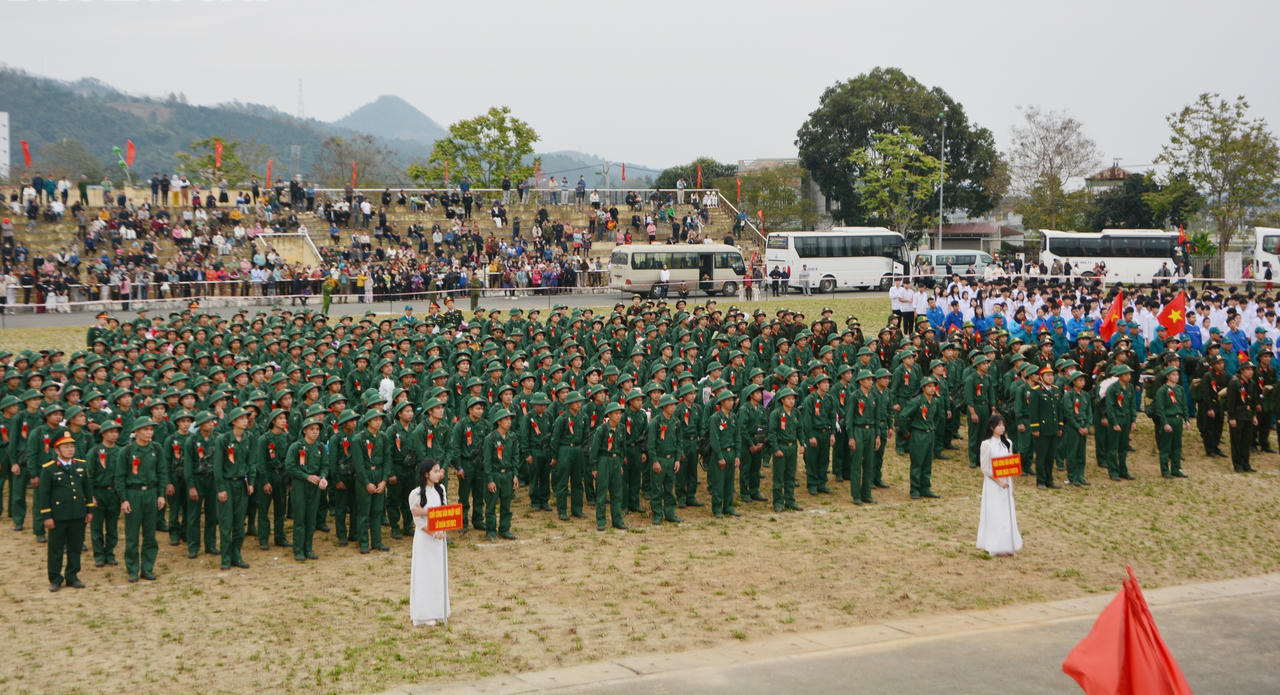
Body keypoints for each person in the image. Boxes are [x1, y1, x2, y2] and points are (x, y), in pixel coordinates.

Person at [38, 430, 94, 591]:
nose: (70, 449)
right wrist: (47, 516)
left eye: (72, 446)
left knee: (75, 546)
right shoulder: (48, 469)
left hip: (78, 513)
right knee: (55, 548)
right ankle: (55, 578)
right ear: (57, 450)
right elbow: (44, 494)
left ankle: (72, 575)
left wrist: (89, 509)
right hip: (58, 516)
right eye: (66, 447)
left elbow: (87, 489)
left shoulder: (81, 465)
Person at [116, 420, 167, 583]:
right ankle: (132, 569)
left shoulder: (157, 449)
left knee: (150, 534)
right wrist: (124, 499)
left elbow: (162, 473)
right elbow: (120, 477)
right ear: (137, 431)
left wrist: (161, 494)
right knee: (132, 535)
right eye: (145, 430)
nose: (149, 433)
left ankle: (147, 568)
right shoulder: (127, 451)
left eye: (151, 430)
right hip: (133, 494)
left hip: (151, 494)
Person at [409, 459, 450, 627]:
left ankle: (439, 609)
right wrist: (432, 532)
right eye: (435, 471)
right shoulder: (416, 494)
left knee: (438, 573)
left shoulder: (441, 490)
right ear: (426, 474)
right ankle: (424, 613)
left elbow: (445, 512)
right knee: (425, 574)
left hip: (439, 538)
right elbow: (418, 520)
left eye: (439, 471)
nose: (438, 474)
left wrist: (427, 513)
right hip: (425, 539)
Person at [976, 415, 1022, 557]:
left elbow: (1010, 465)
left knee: (1007, 513)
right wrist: (998, 482)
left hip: (1006, 483)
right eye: (998, 425)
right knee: (994, 512)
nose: (1001, 427)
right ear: (992, 427)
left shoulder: (1007, 442)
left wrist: (1011, 484)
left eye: (1003, 425)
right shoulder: (987, 444)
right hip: (993, 484)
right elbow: (985, 468)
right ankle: (995, 545)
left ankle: (1007, 544)